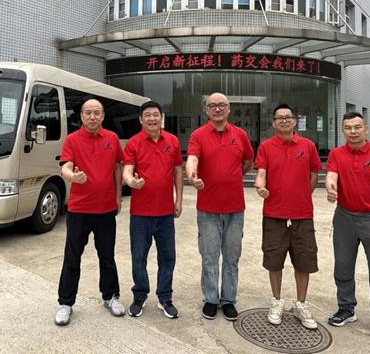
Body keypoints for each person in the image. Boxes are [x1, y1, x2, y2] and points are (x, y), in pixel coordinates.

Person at [325, 112, 370, 343]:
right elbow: (331, 176)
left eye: (357, 127)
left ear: (366, 129)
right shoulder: (336, 154)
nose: (353, 131)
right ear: (343, 131)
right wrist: (330, 187)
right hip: (344, 217)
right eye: (348, 128)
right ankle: (346, 308)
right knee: (343, 267)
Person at [54, 98, 125, 326]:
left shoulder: (112, 138)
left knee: (107, 256)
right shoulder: (72, 140)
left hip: (105, 210)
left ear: (103, 116)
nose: (92, 116)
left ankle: (111, 296)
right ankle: (66, 303)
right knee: (72, 257)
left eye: (97, 112)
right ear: (82, 116)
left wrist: (118, 196)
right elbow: (65, 167)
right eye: (88, 113)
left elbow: (118, 166)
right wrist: (73, 176)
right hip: (79, 210)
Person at [185, 92, 253, 321]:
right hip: (208, 209)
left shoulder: (240, 135)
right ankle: (211, 299)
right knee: (210, 256)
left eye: (221, 105)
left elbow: (247, 161)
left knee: (232, 257)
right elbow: (192, 159)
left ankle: (229, 299)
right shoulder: (198, 135)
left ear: (229, 108)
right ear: (206, 110)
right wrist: (192, 176)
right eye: (212, 105)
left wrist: (232, 177)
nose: (217, 109)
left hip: (235, 208)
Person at [254, 104, 322, 329]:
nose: (284, 120)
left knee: (304, 260)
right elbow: (261, 172)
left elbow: (314, 174)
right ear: (273, 123)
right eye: (279, 118)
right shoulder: (266, 147)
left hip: (303, 214)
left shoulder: (307, 146)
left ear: (295, 120)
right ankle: (277, 301)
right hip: (274, 214)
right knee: (274, 260)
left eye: (288, 117)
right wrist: (261, 186)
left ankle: (301, 304)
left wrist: (302, 195)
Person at [123, 101, 184, 319]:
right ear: (141, 119)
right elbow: (127, 171)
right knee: (139, 257)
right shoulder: (134, 143)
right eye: (147, 115)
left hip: (165, 212)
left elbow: (178, 171)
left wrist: (179, 200)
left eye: (155, 114)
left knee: (168, 257)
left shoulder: (173, 141)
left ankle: (165, 297)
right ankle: (139, 295)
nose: (152, 118)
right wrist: (132, 182)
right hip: (140, 214)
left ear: (161, 117)